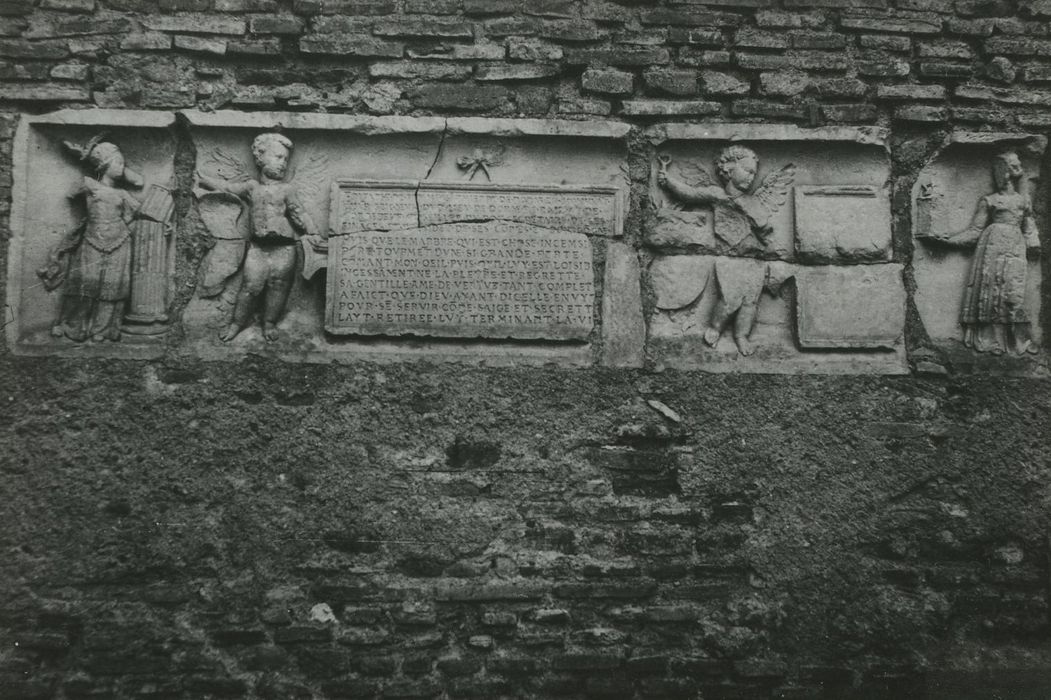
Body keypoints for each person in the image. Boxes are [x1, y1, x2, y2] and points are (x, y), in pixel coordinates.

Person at [657, 145, 794, 355]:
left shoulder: (752, 201)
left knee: (750, 303)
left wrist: (754, 216)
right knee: (730, 299)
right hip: (728, 257)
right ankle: (716, 327)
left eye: (754, 174)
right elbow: (691, 194)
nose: (751, 177)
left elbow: (766, 227)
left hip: (753, 259)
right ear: (729, 170)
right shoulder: (716, 195)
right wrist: (668, 180)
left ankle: (741, 336)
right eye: (747, 171)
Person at [196, 132, 322, 342]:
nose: (282, 164)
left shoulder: (286, 189)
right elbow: (227, 188)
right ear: (260, 158)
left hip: (284, 247)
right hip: (258, 247)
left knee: (278, 285)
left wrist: (313, 231)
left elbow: (299, 213)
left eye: (285, 160)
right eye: (278, 157)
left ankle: (269, 323)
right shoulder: (252, 187)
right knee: (250, 287)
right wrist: (204, 181)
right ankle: (236, 324)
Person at [923, 151, 1041, 355]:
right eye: (1014, 166)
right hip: (992, 247)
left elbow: (1029, 228)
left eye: (1019, 165)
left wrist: (1034, 243)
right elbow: (974, 231)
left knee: (1013, 293)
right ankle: (991, 341)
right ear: (1003, 171)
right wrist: (947, 240)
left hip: (1015, 247)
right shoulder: (990, 200)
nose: (1019, 169)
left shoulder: (1023, 201)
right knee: (991, 292)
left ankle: (1016, 340)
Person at [38, 136, 144, 342]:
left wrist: (120, 168)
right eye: (119, 163)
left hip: (120, 241)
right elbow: (71, 195)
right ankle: (73, 325)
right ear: (105, 165)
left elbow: (139, 183)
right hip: (92, 240)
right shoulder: (89, 185)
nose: (123, 167)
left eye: (124, 163)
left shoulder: (122, 193)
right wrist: (91, 157)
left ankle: (102, 329)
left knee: (112, 287)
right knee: (85, 283)